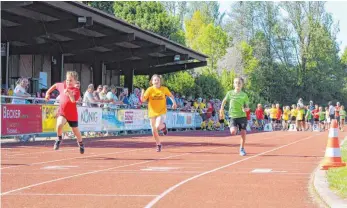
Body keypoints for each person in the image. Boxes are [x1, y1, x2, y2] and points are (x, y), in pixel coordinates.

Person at [45, 71, 85, 154]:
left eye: (70, 80)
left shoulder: (76, 90)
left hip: (72, 115)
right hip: (62, 113)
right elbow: (55, 85)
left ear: (75, 82)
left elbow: (73, 101)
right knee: (59, 124)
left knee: (75, 131)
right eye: (67, 80)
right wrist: (48, 93)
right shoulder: (62, 86)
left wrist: (70, 94)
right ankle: (59, 138)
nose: (68, 82)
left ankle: (80, 143)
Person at [141, 74, 177, 152]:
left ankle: (163, 127)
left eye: (158, 80)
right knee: (154, 130)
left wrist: (174, 102)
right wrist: (142, 95)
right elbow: (143, 100)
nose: (156, 81)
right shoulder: (150, 90)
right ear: (152, 82)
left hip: (161, 111)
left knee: (157, 126)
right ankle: (158, 144)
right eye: (155, 80)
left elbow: (170, 95)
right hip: (152, 112)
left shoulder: (164, 89)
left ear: (160, 81)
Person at [220, 77, 250, 156]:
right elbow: (224, 101)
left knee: (243, 133)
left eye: (239, 83)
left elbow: (247, 107)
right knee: (233, 132)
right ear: (233, 84)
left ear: (242, 85)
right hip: (233, 115)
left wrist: (245, 109)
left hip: (242, 116)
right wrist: (221, 109)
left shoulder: (244, 95)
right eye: (236, 82)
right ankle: (235, 128)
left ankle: (242, 148)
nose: (237, 84)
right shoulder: (230, 93)